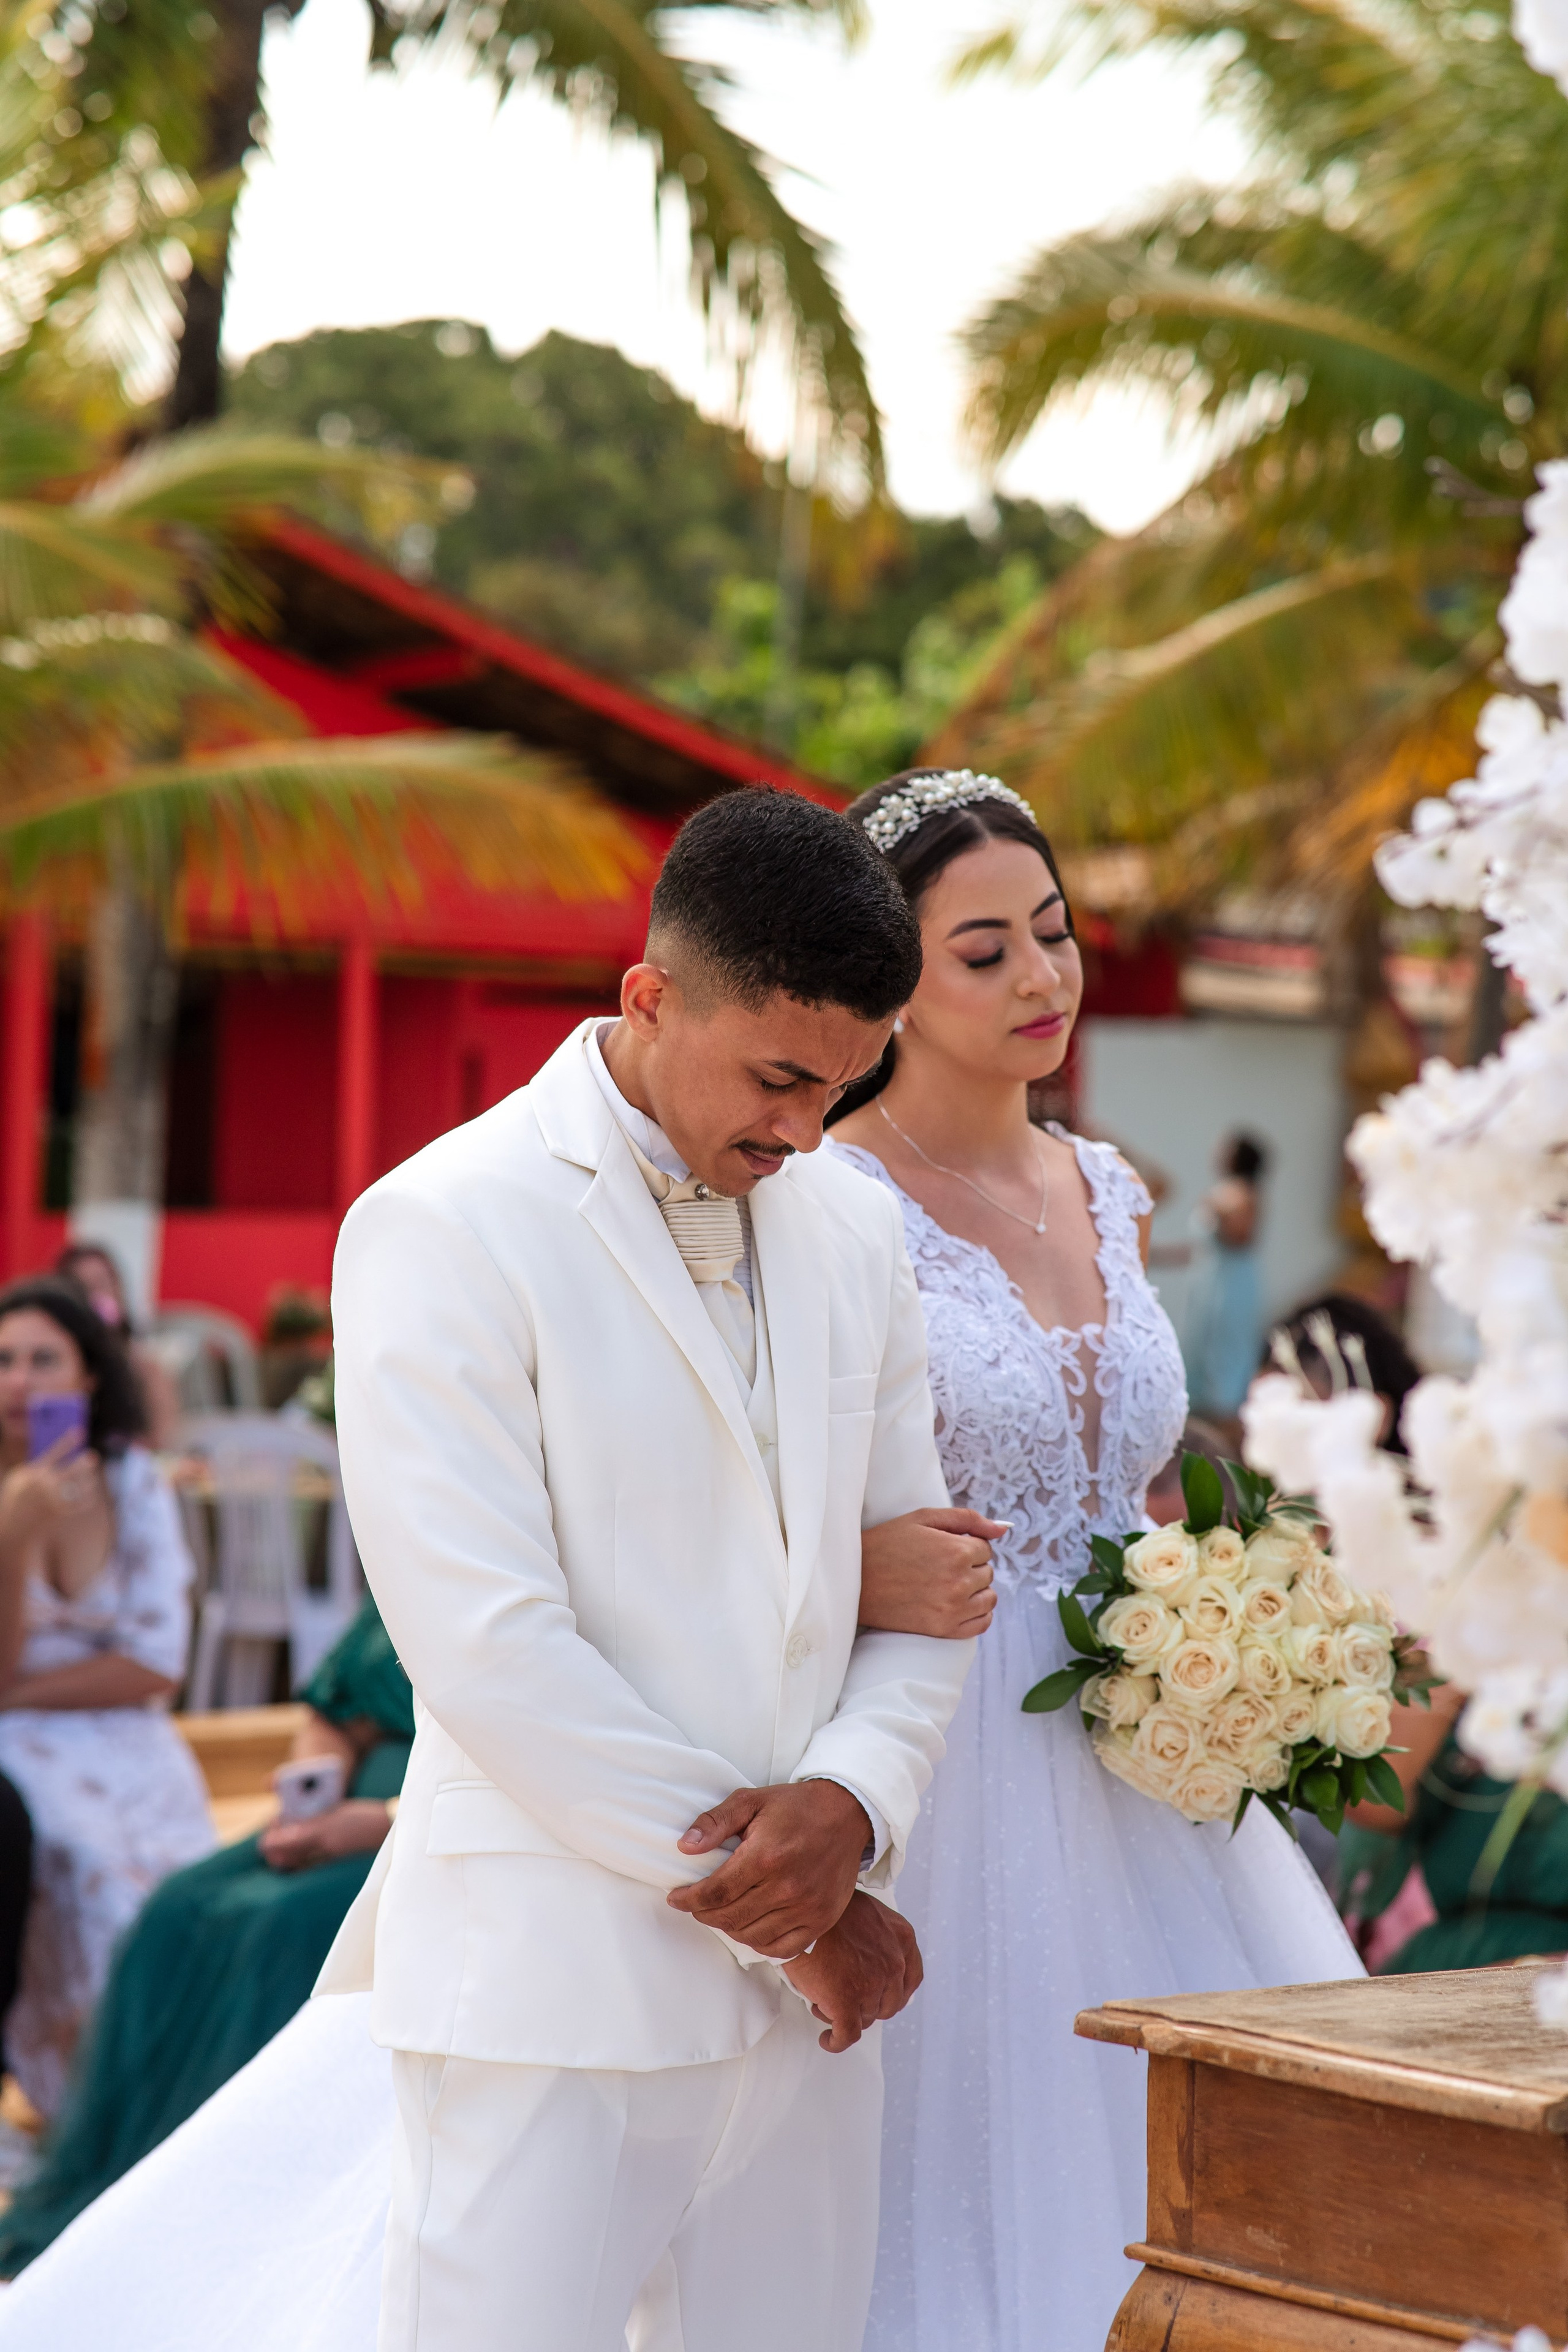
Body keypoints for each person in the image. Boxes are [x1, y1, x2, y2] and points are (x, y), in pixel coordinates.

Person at [0, 788, 979, 2352]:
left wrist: (855, 1803)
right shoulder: (440, 1222)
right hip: (555, 1986)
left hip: (809, 2014)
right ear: (649, 998)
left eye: (842, 1091)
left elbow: (933, 1580)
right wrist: (792, 1906)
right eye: (780, 1077)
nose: (803, 1132)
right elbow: (488, 1646)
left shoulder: (850, 1226)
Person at [823, 767, 1360, 2351]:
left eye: (1052, 935)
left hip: (1150, 1742)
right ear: (889, 981)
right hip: (943, 1739)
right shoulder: (829, 1205)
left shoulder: (1109, 1187)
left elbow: (1141, 1478)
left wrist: (1244, 1609)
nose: (1042, 979)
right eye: (982, 951)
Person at [0, 1591, 412, 2272]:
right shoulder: (405, 1566)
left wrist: (380, 1818)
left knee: (277, 1925)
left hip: (420, 1829)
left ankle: (232, 2204)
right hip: (338, 1815)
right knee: (182, 1907)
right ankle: (133, 2177)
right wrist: (323, 1782)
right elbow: (333, 1707)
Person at [0, 1280, 212, 2117]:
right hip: (21, 1746)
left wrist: (15, 1692)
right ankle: (88, 2109)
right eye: (4, 1361)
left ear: (89, 1377)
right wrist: (14, 1537)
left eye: (44, 1359)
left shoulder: (135, 1485)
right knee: (86, 1872)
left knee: (182, 1889)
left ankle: (182, 2094)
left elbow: (158, 1663)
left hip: (130, 1734)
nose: (21, 1381)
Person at [52, 1246, 182, 1453]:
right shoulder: (53, 1371)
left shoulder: (147, 1370)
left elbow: (163, 1446)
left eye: (101, 1284)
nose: (93, 1296)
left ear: (119, 1292)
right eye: (81, 1287)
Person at [1186, 1130, 1270, 1423]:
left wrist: (1216, 1208)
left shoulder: (1247, 1195)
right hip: (1208, 1284)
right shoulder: (1222, 1192)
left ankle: (1224, 1420)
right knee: (1200, 1347)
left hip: (1232, 1286)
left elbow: (1240, 1237)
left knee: (1226, 1355)